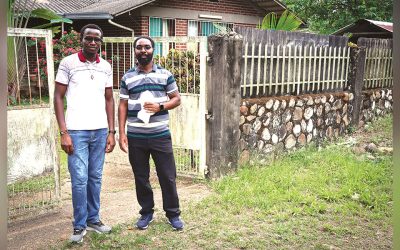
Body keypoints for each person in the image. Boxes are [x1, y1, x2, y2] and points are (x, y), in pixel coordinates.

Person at [54, 24, 116, 243]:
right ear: (81, 40)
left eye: (96, 39)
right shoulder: (68, 63)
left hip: (99, 131)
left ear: (101, 42)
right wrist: (64, 132)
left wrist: (111, 131)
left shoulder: (106, 66)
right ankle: (79, 225)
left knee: (95, 178)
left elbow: (109, 99)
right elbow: (58, 97)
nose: (92, 42)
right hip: (77, 131)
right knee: (79, 179)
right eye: (88, 38)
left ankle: (93, 219)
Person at [118, 36, 184, 230]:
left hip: (160, 135)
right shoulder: (127, 77)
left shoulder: (165, 75)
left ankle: (173, 213)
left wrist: (160, 106)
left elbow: (177, 99)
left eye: (147, 47)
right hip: (136, 136)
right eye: (139, 48)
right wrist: (121, 133)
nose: (143, 50)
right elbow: (122, 105)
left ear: (153, 50)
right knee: (141, 176)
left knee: (167, 176)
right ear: (135, 51)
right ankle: (146, 212)